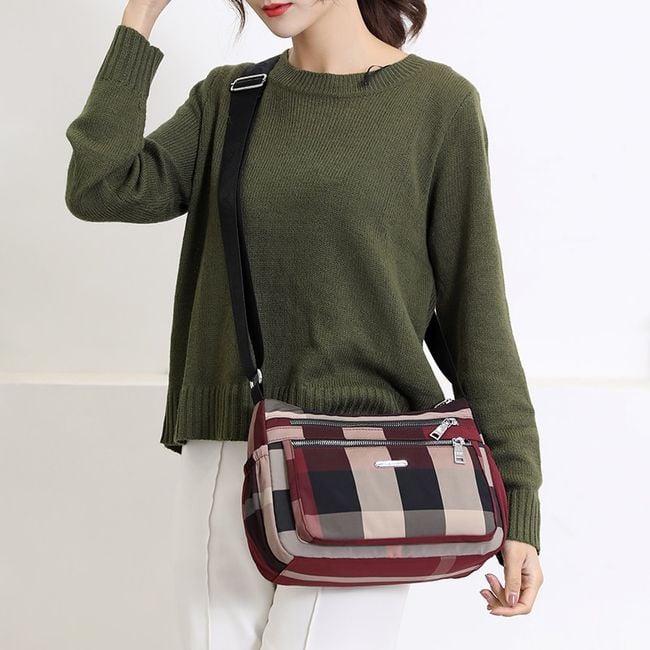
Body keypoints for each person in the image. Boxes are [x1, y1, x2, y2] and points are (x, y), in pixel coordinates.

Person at [64, 0, 545, 647]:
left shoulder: (437, 104)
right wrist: (140, 16)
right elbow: (100, 185)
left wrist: (518, 498)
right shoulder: (229, 99)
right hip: (230, 449)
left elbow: (474, 315)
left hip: (373, 460)